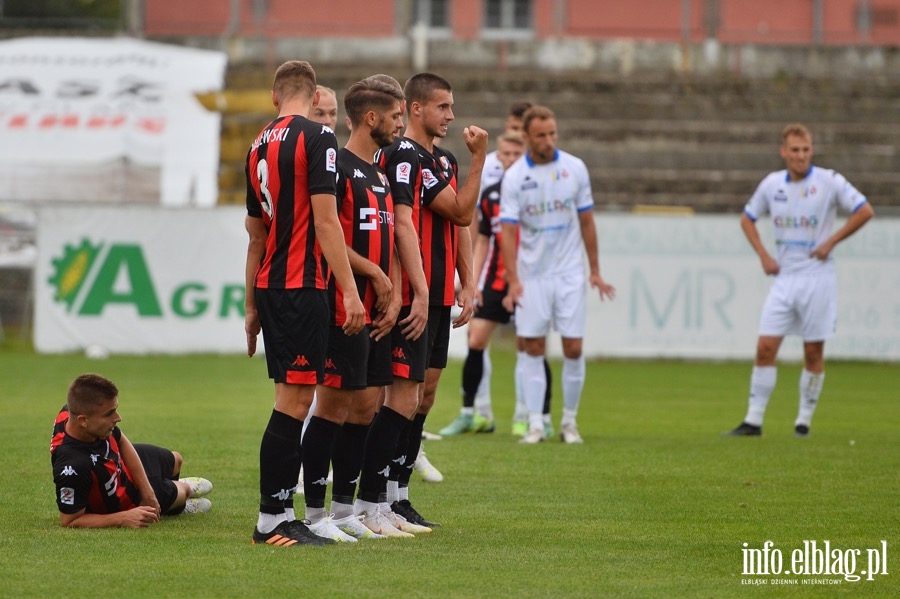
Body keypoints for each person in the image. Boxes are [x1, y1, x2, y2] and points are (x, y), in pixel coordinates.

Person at [244, 59, 366, 548]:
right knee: (294, 403)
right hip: (302, 284)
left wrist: (251, 307)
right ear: (316, 97)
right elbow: (326, 223)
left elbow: (255, 236)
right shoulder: (319, 142)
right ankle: (272, 518)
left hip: (272, 284)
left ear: (275, 97)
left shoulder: (256, 145)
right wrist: (351, 291)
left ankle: (278, 513)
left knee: (292, 401)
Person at [299, 74, 412, 541]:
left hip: (375, 308)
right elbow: (332, 238)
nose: (400, 125)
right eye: (395, 117)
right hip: (341, 305)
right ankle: (312, 514)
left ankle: (347, 512)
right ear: (372, 118)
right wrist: (375, 275)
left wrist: (393, 291)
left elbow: (384, 239)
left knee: (365, 408)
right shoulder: (339, 168)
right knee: (333, 407)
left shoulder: (380, 174)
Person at [373, 72, 488, 528]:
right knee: (399, 397)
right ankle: (374, 497)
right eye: (443, 107)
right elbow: (461, 209)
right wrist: (482, 160)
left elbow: (459, 224)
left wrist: (467, 279)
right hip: (412, 296)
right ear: (416, 108)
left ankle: (398, 495)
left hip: (438, 295)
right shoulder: (404, 155)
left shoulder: (443, 161)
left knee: (423, 396)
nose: (451, 115)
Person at [726, 123, 874, 438]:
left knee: (812, 352)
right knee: (765, 346)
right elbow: (747, 218)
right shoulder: (771, 185)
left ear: (811, 151)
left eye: (806, 150)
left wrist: (831, 241)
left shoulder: (829, 181)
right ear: (784, 152)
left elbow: (864, 211)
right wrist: (764, 255)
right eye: (795, 150)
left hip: (817, 277)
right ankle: (753, 421)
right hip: (784, 277)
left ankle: (803, 422)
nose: (801, 156)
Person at [500, 105, 616, 445]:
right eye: (541, 135)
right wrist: (513, 279)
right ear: (526, 136)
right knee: (534, 346)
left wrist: (594, 270)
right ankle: (536, 423)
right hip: (532, 275)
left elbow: (587, 221)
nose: (549, 140)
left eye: (552, 133)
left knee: (574, 347)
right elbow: (507, 232)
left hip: (569, 273)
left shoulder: (575, 168)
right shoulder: (515, 176)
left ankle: (569, 422)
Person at [440, 130, 526, 436]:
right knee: (476, 339)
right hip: (496, 276)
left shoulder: (535, 189)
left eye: (517, 154)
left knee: (531, 345)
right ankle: (470, 412)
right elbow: (480, 237)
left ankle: (527, 417)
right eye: (505, 155)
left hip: (529, 277)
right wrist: (469, 280)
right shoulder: (490, 195)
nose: (511, 160)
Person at [50, 374, 213, 528]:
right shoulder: (72, 466)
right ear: (83, 420)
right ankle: (177, 504)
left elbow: (119, 439)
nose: (118, 418)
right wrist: (125, 517)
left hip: (123, 464)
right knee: (184, 491)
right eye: (109, 414)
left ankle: (164, 503)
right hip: (125, 498)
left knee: (176, 460)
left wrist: (148, 493)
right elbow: (70, 520)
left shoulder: (69, 413)